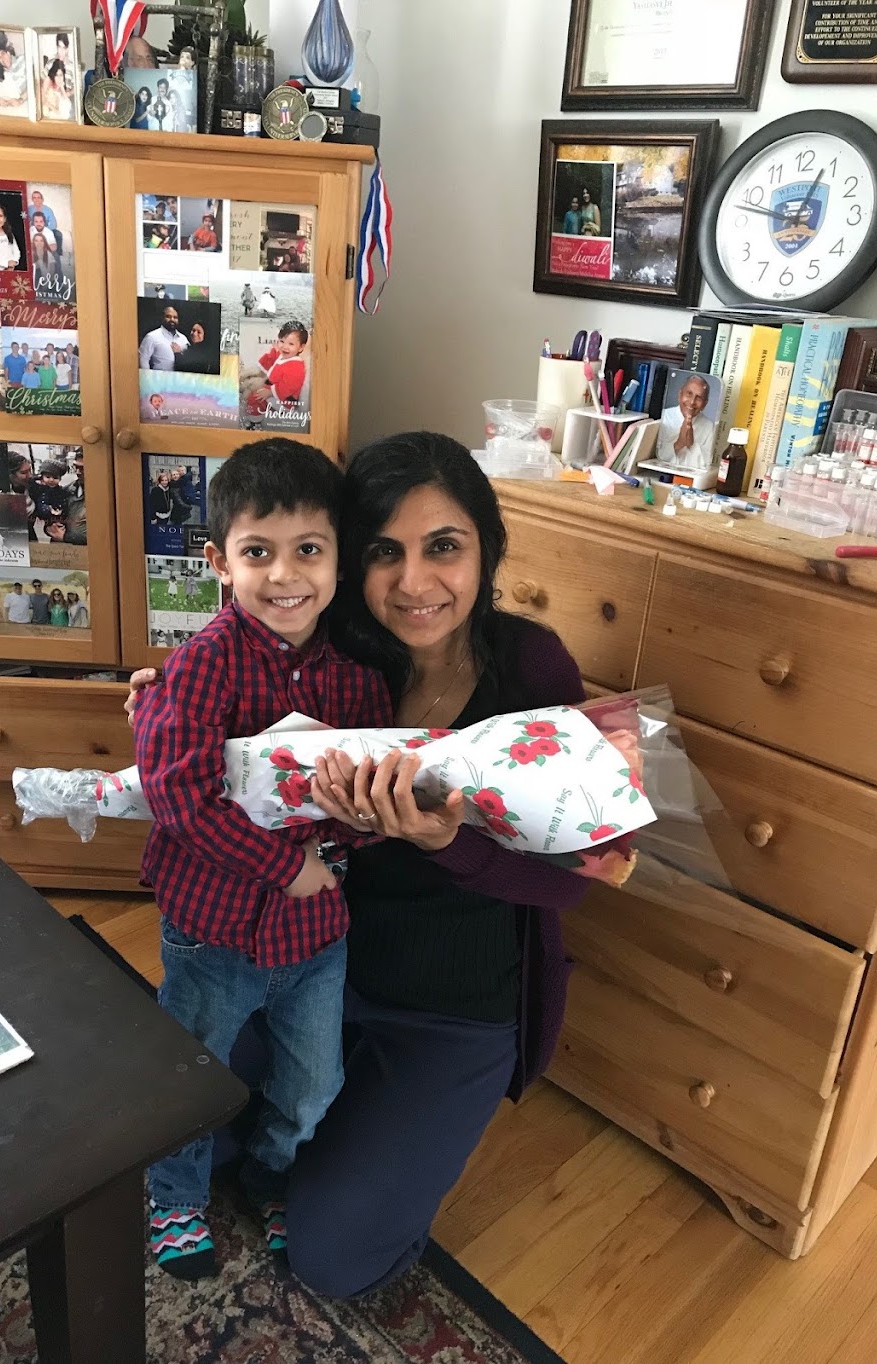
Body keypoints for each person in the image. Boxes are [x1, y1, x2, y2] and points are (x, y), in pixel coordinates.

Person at [126, 431, 589, 1298]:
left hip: (452, 1006)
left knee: (332, 1256)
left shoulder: (529, 666)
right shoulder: (341, 649)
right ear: (351, 562)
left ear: (486, 549)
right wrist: (162, 706)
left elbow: (572, 878)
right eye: (383, 552)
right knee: (186, 1133)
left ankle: (351, 1147)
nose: (413, 583)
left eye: (443, 547)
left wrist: (449, 843)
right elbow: (229, 697)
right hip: (313, 963)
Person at [133, 440, 392, 1280]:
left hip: (315, 938)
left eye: (308, 549)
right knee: (190, 1075)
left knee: (313, 1084)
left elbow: (364, 807)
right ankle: (173, 1194)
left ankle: (271, 1176)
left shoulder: (357, 684)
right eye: (257, 552)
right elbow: (178, 796)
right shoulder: (202, 666)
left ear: (339, 560)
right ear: (219, 562)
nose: (285, 575)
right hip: (212, 932)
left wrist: (357, 828)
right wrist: (284, 867)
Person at [241, 321, 309, 421]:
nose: (285, 346)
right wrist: (275, 350)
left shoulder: (296, 366)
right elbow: (276, 359)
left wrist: (270, 393)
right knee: (253, 393)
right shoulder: (286, 356)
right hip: (271, 390)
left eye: (291, 344)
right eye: (282, 341)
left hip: (283, 401)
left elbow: (288, 386)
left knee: (255, 399)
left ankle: (255, 421)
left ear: (301, 347)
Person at [657, 374, 715, 469]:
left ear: (705, 404)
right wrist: (679, 443)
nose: (692, 402)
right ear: (680, 394)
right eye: (689, 394)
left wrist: (691, 445)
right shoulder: (663, 416)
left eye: (699, 397)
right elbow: (654, 457)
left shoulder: (708, 426)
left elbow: (706, 465)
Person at [139, 305, 186, 370]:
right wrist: (147, 375)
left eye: (175, 317)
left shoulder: (183, 338)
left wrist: (180, 352)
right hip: (158, 376)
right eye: (168, 317)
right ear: (162, 318)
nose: (172, 319)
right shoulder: (152, 336)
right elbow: (143, 359)